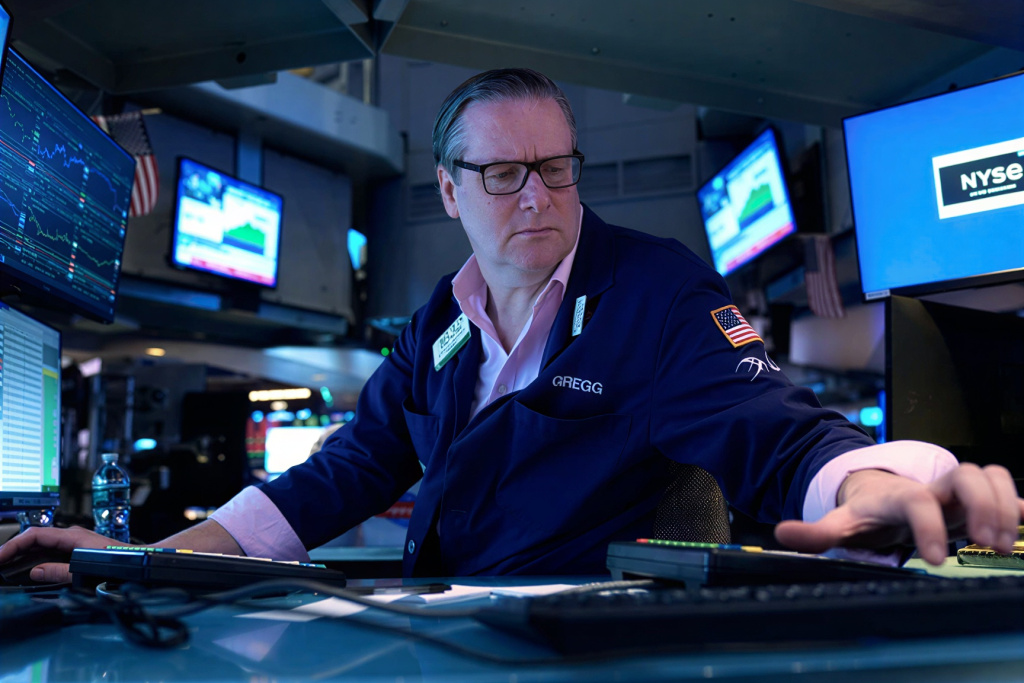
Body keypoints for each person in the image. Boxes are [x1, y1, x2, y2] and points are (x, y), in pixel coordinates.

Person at [3, 68, 1022, 581]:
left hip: (581, 652)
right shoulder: (437, 323)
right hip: (443, 635)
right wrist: (148, 563)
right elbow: (344, 471)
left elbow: (776, 431)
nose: (535, 195)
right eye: (501, 173)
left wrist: (883, 478)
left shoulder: (655, 290)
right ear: (450, 191)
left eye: (555, 167)